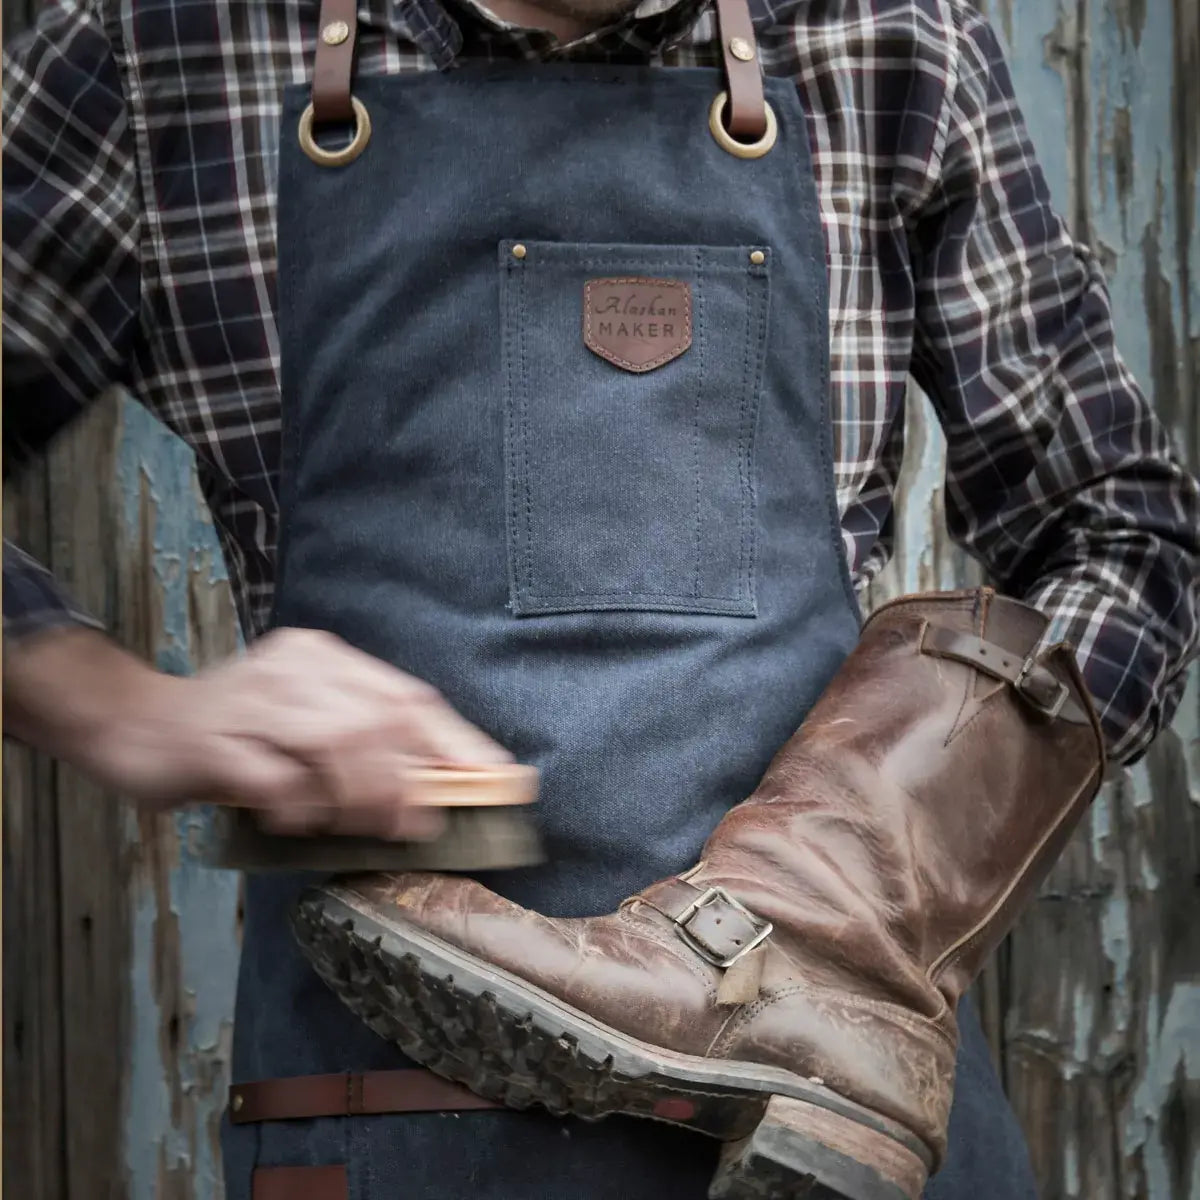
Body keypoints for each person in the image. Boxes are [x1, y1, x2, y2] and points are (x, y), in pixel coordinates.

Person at [3, 0, 1197, 1193]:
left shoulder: (888, 37)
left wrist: (844, 893)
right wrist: (132, 714)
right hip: (390, 1130)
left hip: (834, 1141)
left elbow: (1122, 533)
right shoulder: (167, 46)